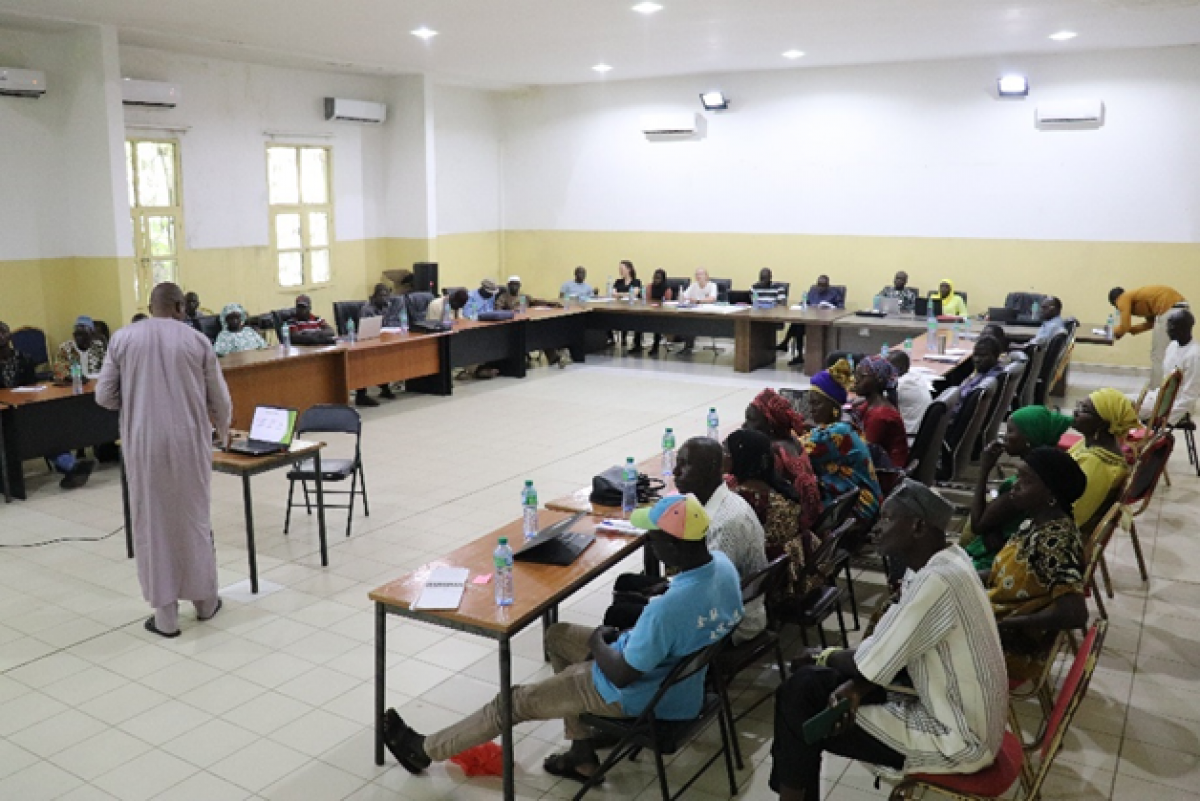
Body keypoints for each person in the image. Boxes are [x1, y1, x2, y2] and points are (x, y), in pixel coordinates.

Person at [381, 493, 744, 783]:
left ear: (673, 547)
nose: (649, 542)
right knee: (557, 635)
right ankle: (580, 751)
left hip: (635, 694)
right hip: (681, 685)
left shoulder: (666, 610)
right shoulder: (723, 568)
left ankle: (425, 749)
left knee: (514, 701)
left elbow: (621, 673)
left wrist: (600, 642)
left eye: (653, 537)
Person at [769, 480, 1007, 800]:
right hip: (947, 706)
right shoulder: (948, 560)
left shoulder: (936, 581)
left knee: (798, 704)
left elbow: (867, 661)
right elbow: (889, 651)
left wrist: (821, 655)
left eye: (888, 519)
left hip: (958, 739)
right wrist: (856, 685)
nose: (877, 529)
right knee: (806, 687)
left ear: (918, 526)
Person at [95, 282, 232, 638]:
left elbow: (104, 395)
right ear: (179, 307)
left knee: (152, 524)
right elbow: (220, 399)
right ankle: (205, 602)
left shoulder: (123, 339)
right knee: (194, 519)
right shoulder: (196, 341)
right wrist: (223, 430)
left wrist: (136, 400)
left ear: (151, 305)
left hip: (143, 443)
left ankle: (166, 617)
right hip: (189, 440)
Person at [983, 447, 1089, 683]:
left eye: (1026, 480)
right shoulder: (1035, 523)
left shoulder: (1054, 542)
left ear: (1051, 492)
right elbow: (1009, 575)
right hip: (995, 618)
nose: (1015, 485)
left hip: (1010, 649)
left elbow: (1075, 613)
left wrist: (1007, 625)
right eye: (1018, 476)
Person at [672, 437, 768, 641]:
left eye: (685, 464)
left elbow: (707, 594)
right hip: (729, 602)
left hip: (732, 621)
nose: (675, 472)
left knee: (630, 611)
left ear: (710, 469)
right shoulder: (724, 500)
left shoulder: (723, 524)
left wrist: (663, 596)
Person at [963, 406, 1074, 571]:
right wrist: (991, 529)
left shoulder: (1022, 489)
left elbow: (978, 525)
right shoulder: (1044, 473)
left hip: (991, 562)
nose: (1004, 436)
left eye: (1010, 432)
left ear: (1029, 438)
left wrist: (984, 470)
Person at [723, 429, 821, 599]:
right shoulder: (779, 484)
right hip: (796, 571)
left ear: (740, 458)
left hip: (775, 582)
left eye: (725, 452)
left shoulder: (747, 499)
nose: (721, 456)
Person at [804, 361, 883, 532]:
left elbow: (801, 450)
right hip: (850, 501)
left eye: (816, 404)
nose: (810, 410)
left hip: (858, 509)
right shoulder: (841, 424)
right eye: (810, 403)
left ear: (833, 406)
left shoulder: (838, 433)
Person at [744, 389, 822, 531]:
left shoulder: (773, 452)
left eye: (751, 420)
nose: (745, 425)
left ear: (770, 423)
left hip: (794, 528)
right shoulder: (794, 441)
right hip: (811, 520)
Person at [1069, 390, 1137, 529]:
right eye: (1079, 405)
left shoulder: (1096, 464)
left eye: (1084, 410)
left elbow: (1074, 515)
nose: (1075, 412)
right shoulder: (1090, 442)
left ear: (1103, 423)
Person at [1109, 285, 1188, 386]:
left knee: (1158, 356)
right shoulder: (1141, 298)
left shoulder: (1122, 298)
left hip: (1169, 311)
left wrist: (1112, 332)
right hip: (1183, 310)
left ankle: (1156, 391)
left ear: (1115, 302)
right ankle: (1176, 389)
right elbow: (1151, 323)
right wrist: (1132, 330)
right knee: (1176, 353)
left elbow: (1124, 327)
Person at [1137, 308, 1199, 424]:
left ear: (1184, 329)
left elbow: (1190, 395)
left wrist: (1167, 418)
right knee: (1116, 401)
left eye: (1172, 327)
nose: (1168, 330)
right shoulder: (1173, 346)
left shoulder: (1194, 356)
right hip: (1160, 398)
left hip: (1172, 408)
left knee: (1119, 408)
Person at [852, 355, 909, 468]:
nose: (855, 380)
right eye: (855, 375)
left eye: (861, 376)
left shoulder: (880, 416)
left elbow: (863, 453)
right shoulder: (870, 405)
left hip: (887, 474)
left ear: (878, 380)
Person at [779, 276, 843, 367]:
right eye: (819, 285)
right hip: (810, 320)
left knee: (797, 326)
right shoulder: (813, 291)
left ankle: (785, 343)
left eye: (823, 286)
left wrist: (831, 307)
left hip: (826, 322)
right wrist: (801, 305)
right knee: (797, 325)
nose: (820, 288)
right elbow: (805, 302)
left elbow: (841, 307)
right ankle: (799, 356)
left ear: (828, 285)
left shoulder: (835, 293)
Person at [949, 336, 1004, 421]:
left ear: (996, 355)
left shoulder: (990, 380)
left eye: (983, 355)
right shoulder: (984, 372)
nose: (977, 359)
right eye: (975, 355)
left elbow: (960, 407)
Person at [886, 350, 933, 435]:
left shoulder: (901, 385)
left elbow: (875, 397)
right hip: (923, 433)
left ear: (897, 369)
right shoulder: (915, 376)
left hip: (909, 436)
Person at [677, 268, 719, 356]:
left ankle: (688, 346)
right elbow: (683, 296)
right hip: (693, 312)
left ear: (706, 276)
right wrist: (682, 297)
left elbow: (712, 298)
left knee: (691, 322)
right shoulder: (693, 286)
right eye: (696, 274)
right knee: (686, 321)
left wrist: (698, 301)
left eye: (701, 274)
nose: (698, 276)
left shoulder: (712, 285)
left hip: (708, 314)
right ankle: (688, 346)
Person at [52, 316, 107, 381]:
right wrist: (70, 377)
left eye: (84, 335)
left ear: (92, 335)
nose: (79, 338)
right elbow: (59, 372)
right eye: (77, 334)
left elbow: (108, 368)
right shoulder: (65, 348)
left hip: (96, 383)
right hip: (74, 385)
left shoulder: (98, 346)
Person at [612, 260, 644, 352]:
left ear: (629, 269)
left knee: (638, 320)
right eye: (619, 269)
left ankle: (637, 343)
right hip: (620, 308)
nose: (620, 271)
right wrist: (626, 294)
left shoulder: (636, 281)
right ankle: (612, 339)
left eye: (622, 269)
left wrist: (620, 294)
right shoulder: (618, 282)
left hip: (633, 308)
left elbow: (634, 293)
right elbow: (613, 294)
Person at [0, 321, 36, 390]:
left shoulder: (25, 359)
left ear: (10, 336)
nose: (0, 336)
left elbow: (32, 386)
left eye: (3, 332)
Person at [646, 268, 671, 356]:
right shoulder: (649, 286)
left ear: (663, 279)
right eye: (654, 278)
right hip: (649, 311)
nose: (656, 280)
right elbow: (647, 300)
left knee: (657, 322)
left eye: (658, 278)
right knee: (639, 320)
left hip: (662, 314)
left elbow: (667, 302)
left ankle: (655, 346)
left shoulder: (667, 289)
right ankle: (637, 344)